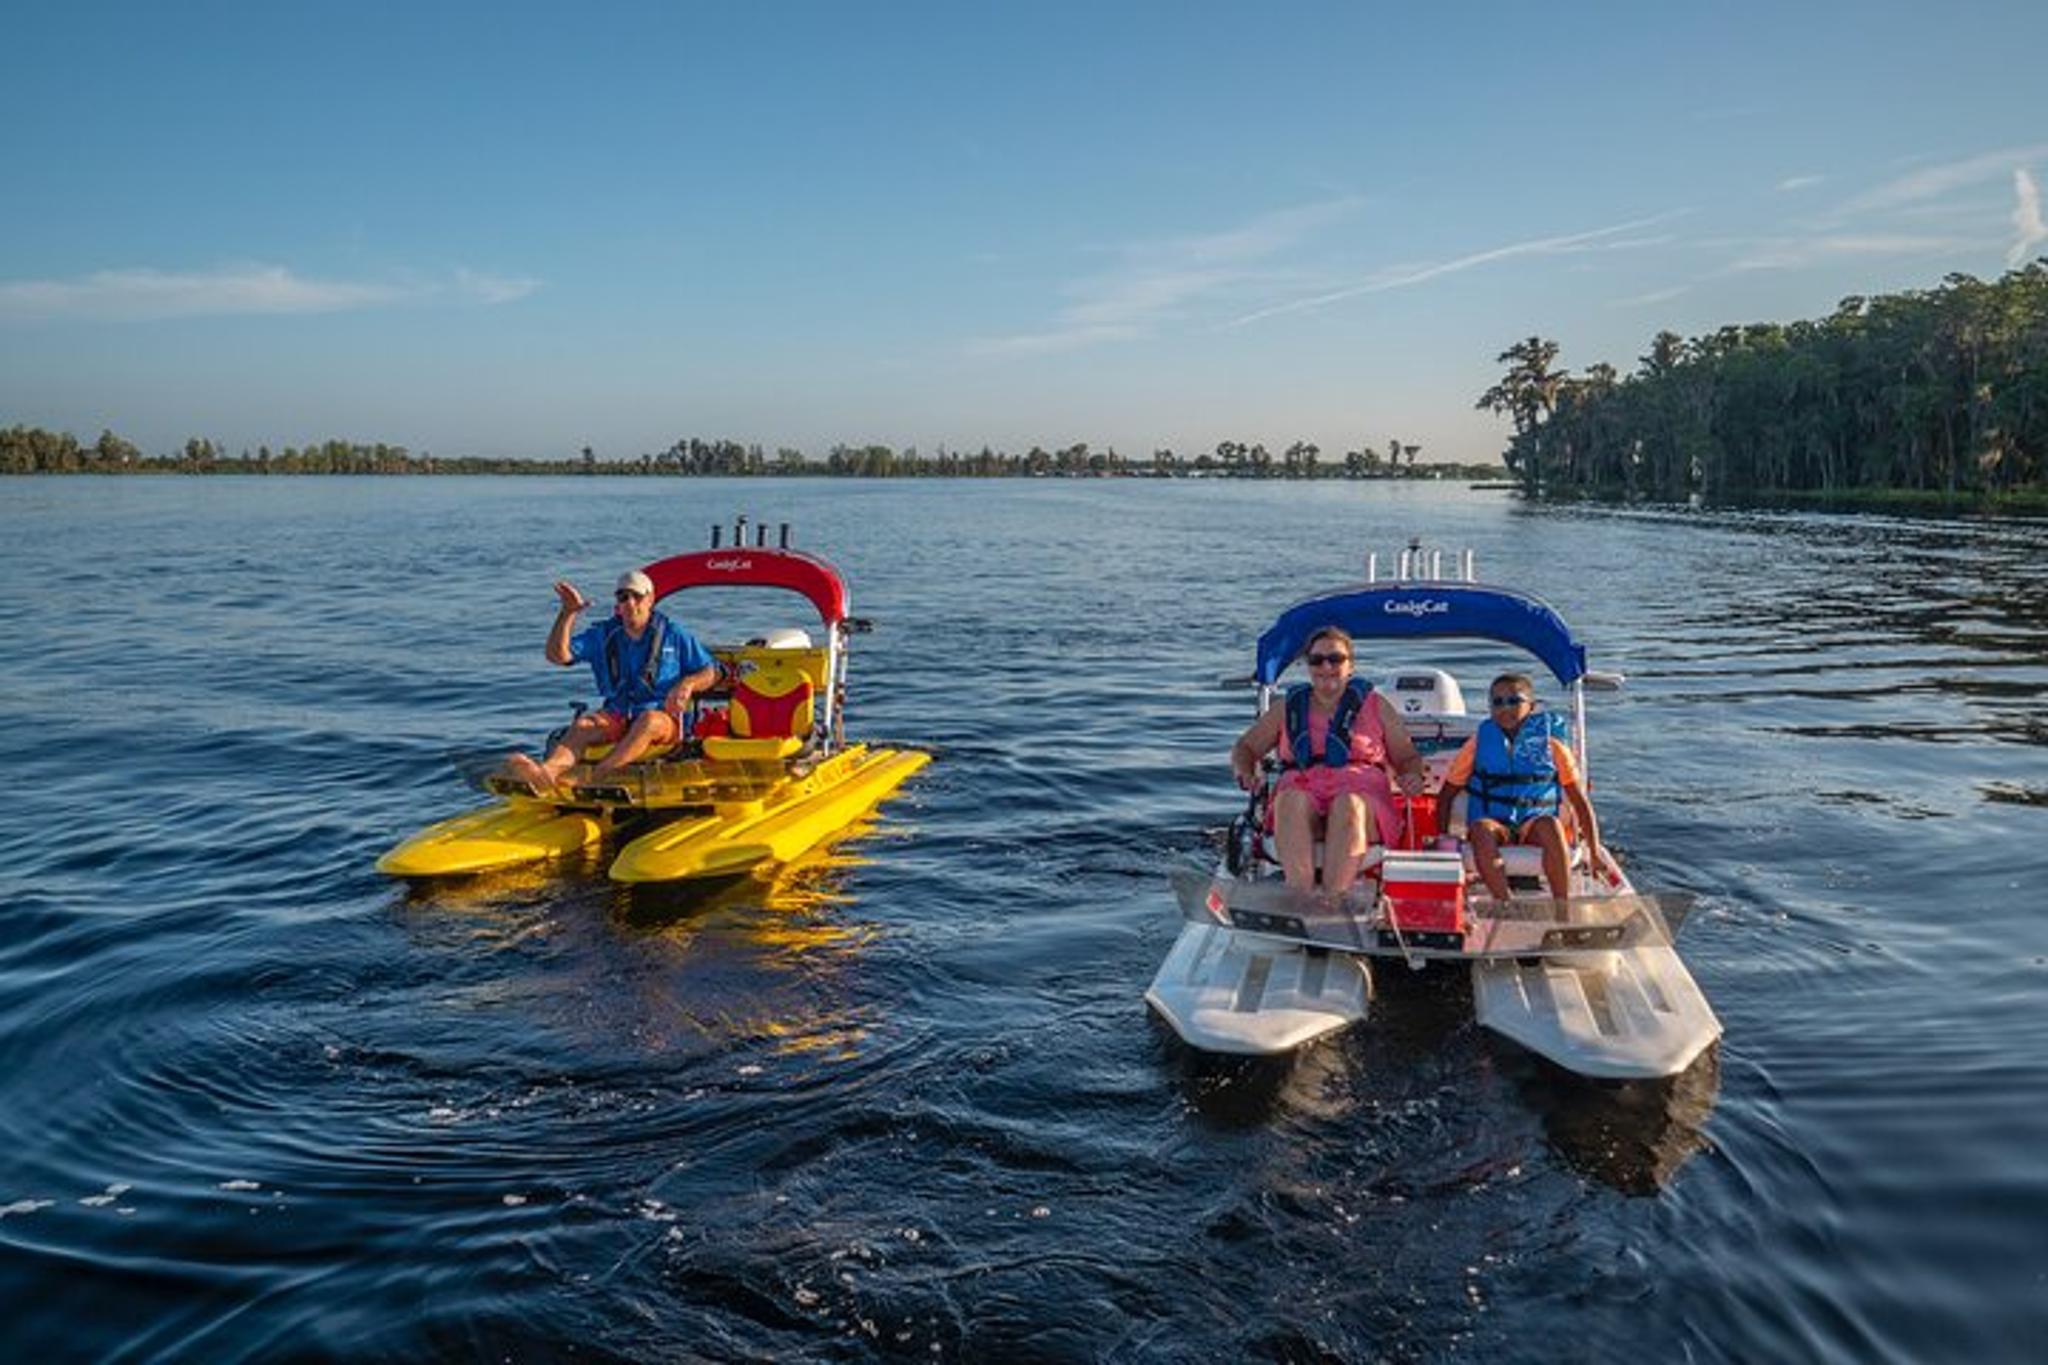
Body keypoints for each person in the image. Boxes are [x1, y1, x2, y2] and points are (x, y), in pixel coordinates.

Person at [1230, 626, 1427, 897]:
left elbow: (1407, 757)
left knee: (1349, 805)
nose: (1326, 667)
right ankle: (1299, 898)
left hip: (1362, 798)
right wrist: (1245, 771)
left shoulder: (1377, 706)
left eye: (1335, 659)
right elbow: (1246, 747)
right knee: (1289, 800)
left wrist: (1412, 775)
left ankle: (1333, 901)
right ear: (1308, 666)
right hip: (1302, 790)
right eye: (1317, 660)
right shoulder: (1287, 708)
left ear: (1351, 665)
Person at [502, 569, 719, 794]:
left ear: (650, 599)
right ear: (618, 604)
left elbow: (712, 671)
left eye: (637, 596)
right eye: (623, 597)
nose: (630, 603)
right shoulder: (604, 634)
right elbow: (558, 656)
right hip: (618, 714)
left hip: (664, 719)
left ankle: (597, 778)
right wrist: (568, 614)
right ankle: (546, 774)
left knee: (648, 721)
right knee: (583, 726)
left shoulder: (674, 634)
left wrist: (688, 684)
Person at [1435, 671, 1604, 905]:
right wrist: (1443, 840)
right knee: (1480, 829)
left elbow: (1579, 801)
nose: (1505, 708)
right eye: (1497, 702)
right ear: (1490, 708)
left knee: (1551, 825)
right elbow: (1446, 795)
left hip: (1533, 823)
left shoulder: (1553, 745)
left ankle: (1562, 910)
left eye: (1514, 701)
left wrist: (1594, 852)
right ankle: (1505, 903)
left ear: (1531, 706)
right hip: (1494, 824)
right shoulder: (1479, 742)